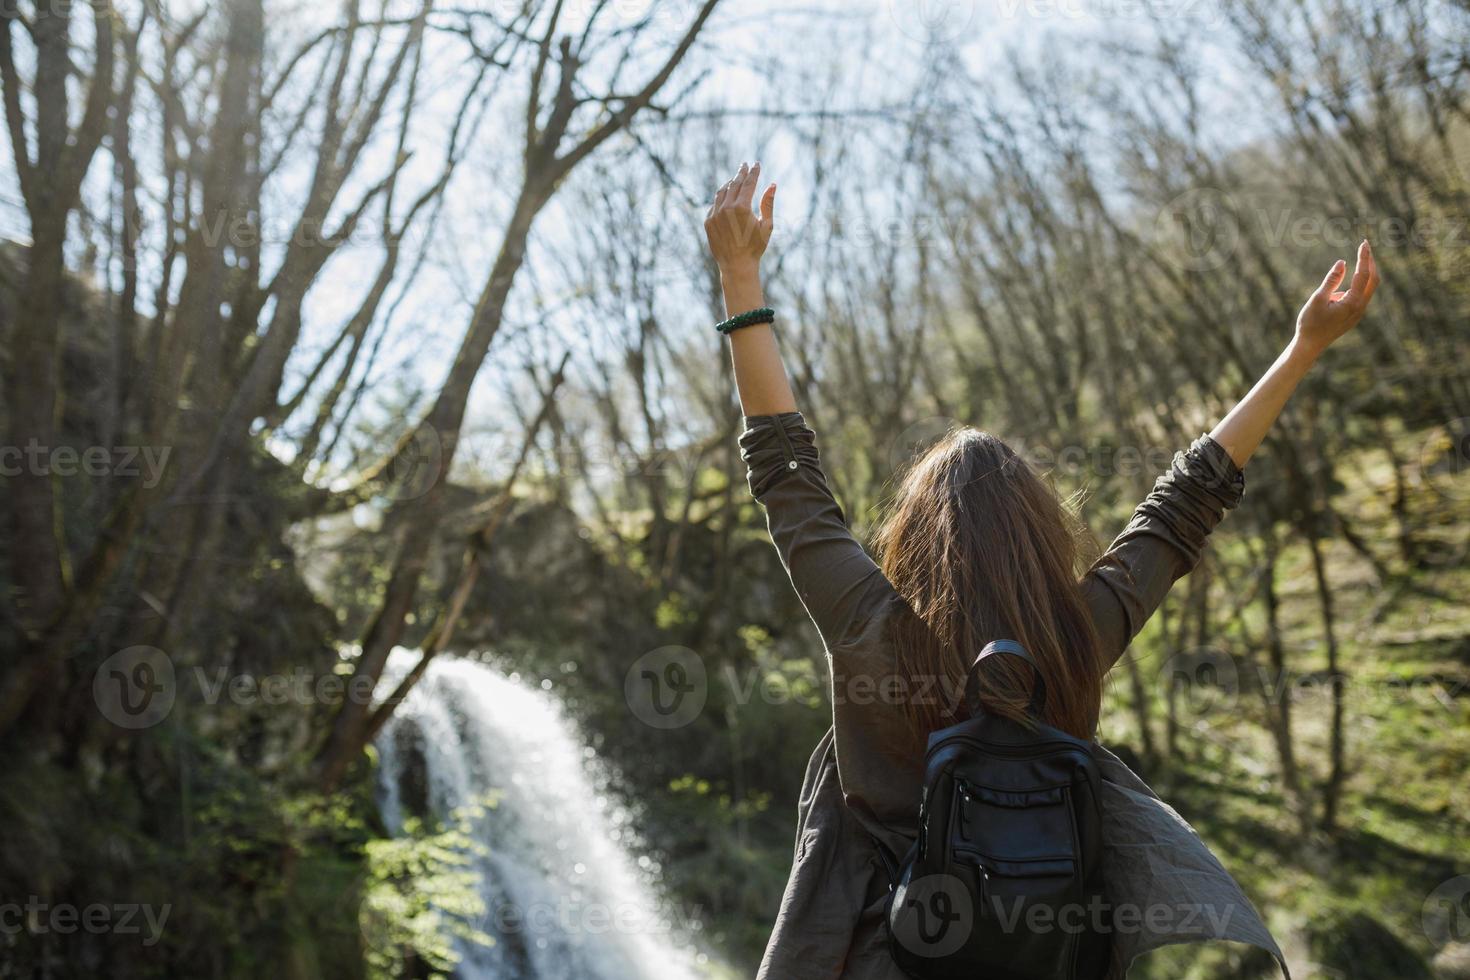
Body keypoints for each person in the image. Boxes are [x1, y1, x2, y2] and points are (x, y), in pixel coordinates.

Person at [703, 161, 1379, 979]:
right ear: (1038, 530)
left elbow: (787, 478)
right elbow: (1186, 503)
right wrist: (1304, 348)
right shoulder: (1075, 636)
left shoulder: (873, 628)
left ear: (913, 537)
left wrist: (741, 275)